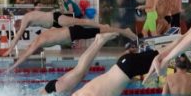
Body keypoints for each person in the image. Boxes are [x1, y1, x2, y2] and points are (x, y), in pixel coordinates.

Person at [8, 23, 138, 71]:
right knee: (100, 30)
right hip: (72, 33)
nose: (38, 52)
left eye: (35, 52)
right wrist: (70, 43)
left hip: (73, 32)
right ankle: (119, 30)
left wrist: (13, 67)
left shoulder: (37, 42)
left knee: (102, 30)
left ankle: (124, 31)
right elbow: (58, 36)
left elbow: (25, 55)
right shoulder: (41, 39)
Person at [42, 32, 118, 96]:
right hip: (54, 88)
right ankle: (97, 40)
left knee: (80, 69)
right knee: (83, 71)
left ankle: (100, 40)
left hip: (57, 90)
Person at [11, 7, 102, 45]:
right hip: (55, 23)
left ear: (20, 24)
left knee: (81, 22)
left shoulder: (26, 19)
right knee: (80, 30)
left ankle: (101, 26)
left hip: (56, 19)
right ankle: (100, 29)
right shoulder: (28, 21)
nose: (22, 30)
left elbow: (18, 35)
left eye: (19, 28)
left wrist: (10, 48)